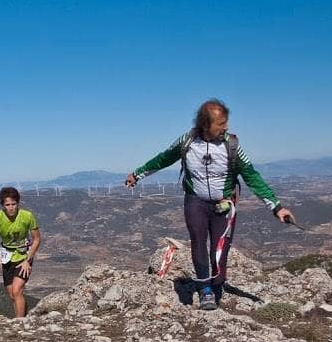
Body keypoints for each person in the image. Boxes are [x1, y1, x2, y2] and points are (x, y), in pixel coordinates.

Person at [125, 99, 295, 311]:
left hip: (223, 205)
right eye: (221, 123)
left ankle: (217, 284)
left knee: (219, 249)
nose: (226, 127)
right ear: (205, 125)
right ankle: (205, 289)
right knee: (198, 241)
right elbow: (162, 159)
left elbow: (252, 176)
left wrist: (276, 207)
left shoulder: (231, 146)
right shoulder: (186, 141)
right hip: (195, 201)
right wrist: (137, 174)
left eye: (226, 122)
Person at [0, 187, 41, 318]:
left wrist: (28, 260)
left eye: (13, 204)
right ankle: (23, 316)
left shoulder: (27, 216)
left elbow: (37, 238)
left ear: (18, 203)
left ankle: (19, 325)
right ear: (3, 205)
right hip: (6, 257)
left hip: (24, 256)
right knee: (12, 295)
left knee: (17, 290)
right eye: (7, 205)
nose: (11, 208)